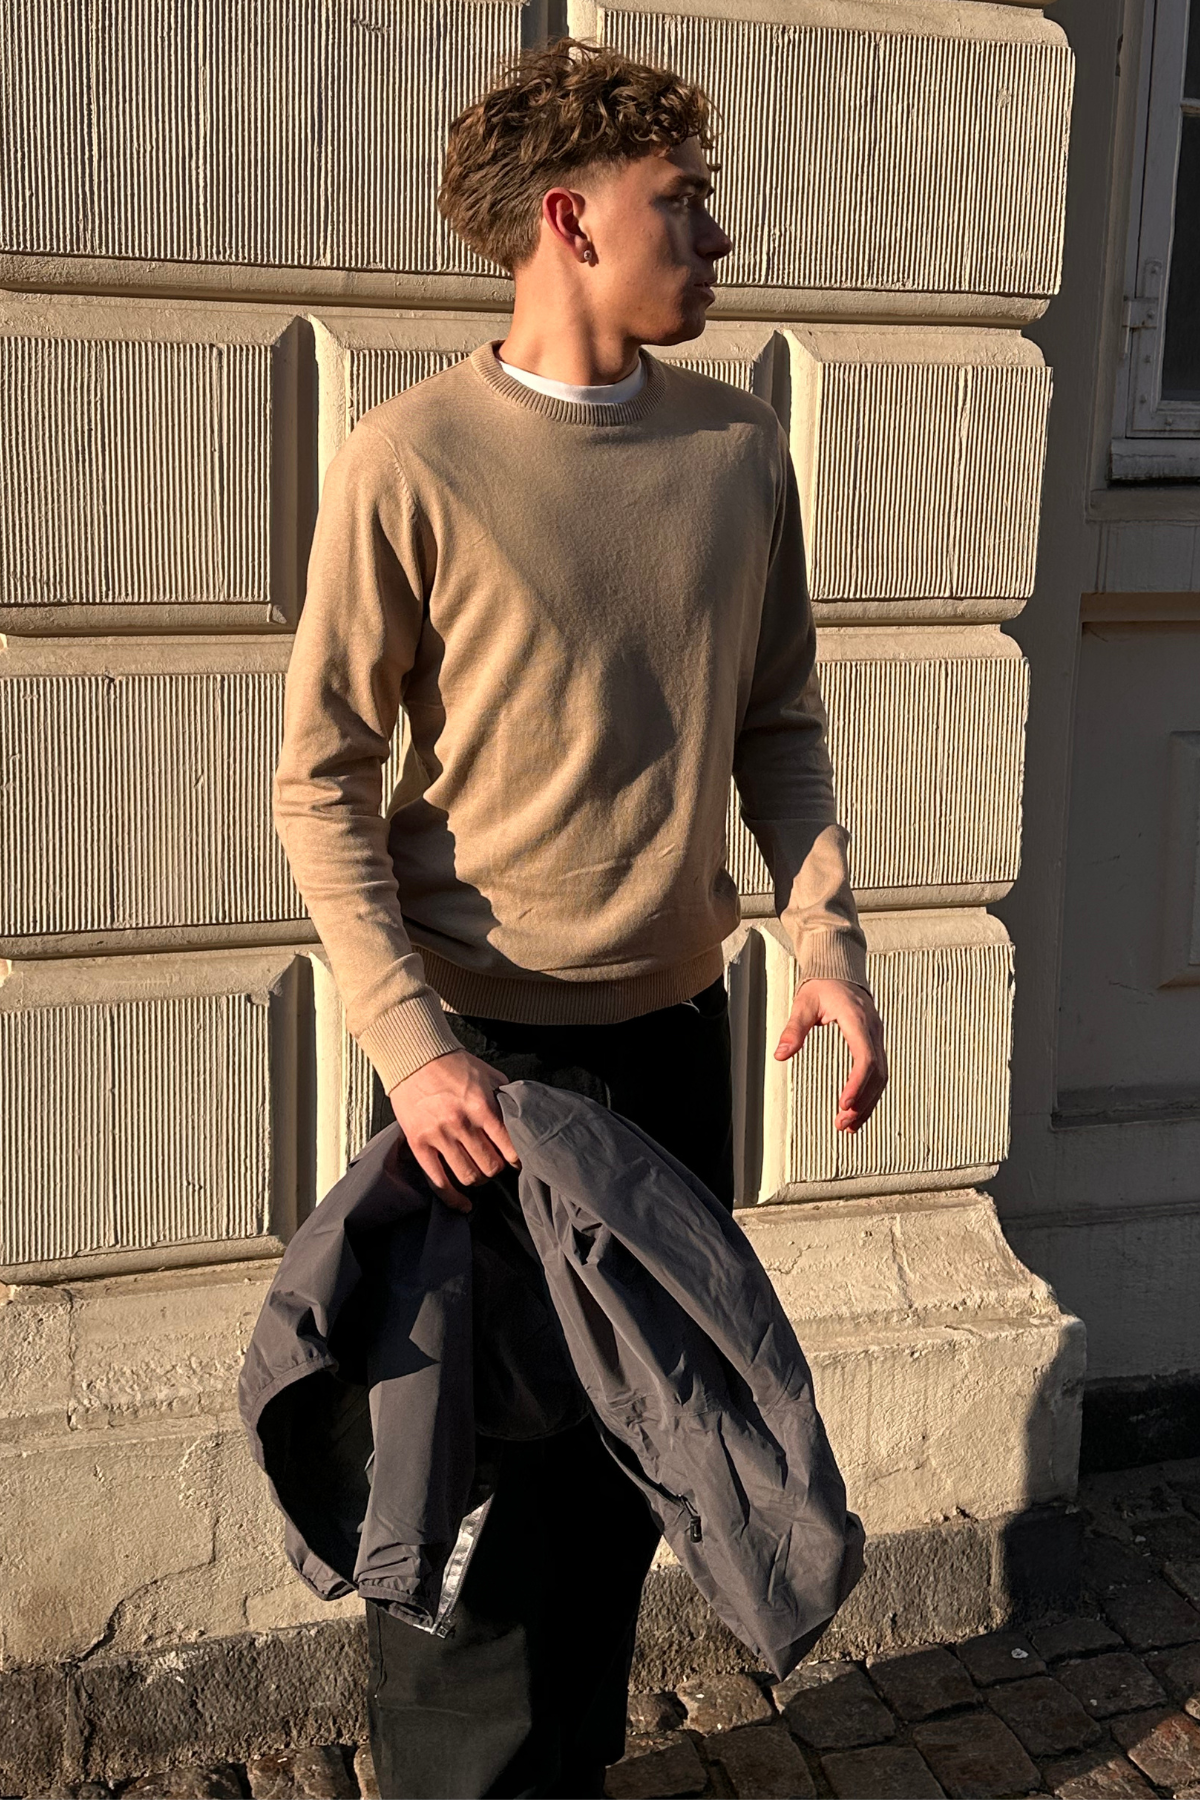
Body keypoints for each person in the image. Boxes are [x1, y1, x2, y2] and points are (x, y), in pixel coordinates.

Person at [273, 37, 887, 1799]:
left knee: (631, 1460)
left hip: (673, 1049)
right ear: (570, 219)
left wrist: (826, 942)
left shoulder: (736, 448)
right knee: (463, 1490)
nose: (716, 239)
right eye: (680, 204)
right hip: (481, 1074)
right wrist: (414, 1052)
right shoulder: (412, 457)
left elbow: (779, 722)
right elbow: (320, 780)